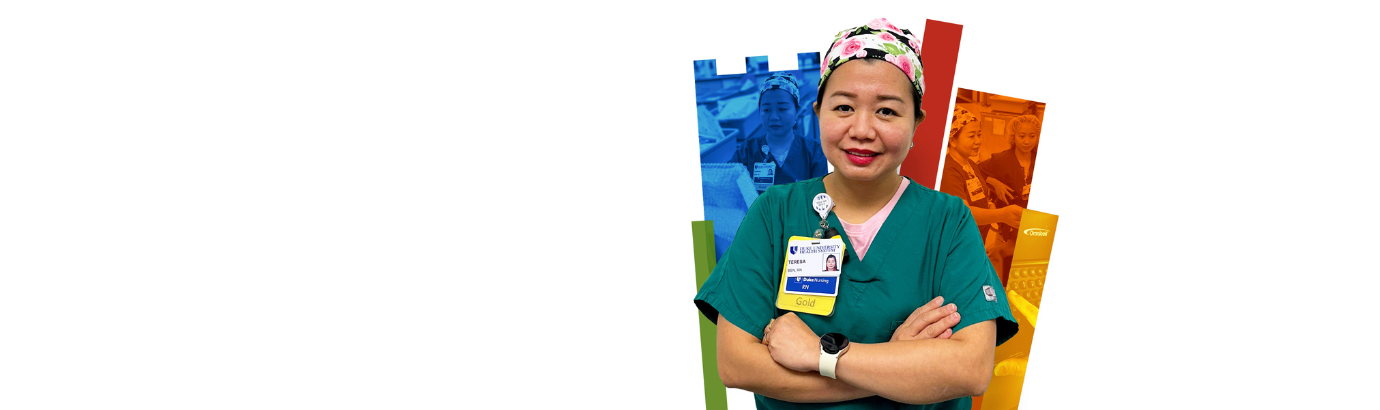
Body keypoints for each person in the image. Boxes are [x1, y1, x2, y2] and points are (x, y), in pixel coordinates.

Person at [694, 18, 1018, 409]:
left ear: (917, 124)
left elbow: (970, 369)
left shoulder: (948, 220)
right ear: (817, 114)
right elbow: (736, 364)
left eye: (886, 111)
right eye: (844, 107)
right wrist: (898, 364)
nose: (862, 129)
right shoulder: (773, 213)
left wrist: (820, 354)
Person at [939, 106, 1025, 282]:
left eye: (979, 134)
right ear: (952, 141)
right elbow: (963, 214)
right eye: (971, 136)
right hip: (958, 248)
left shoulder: (970, 164)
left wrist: (990, 205)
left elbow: (980, 195)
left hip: (976, 242)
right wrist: (1001, 215)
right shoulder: (949, 171)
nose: (978, 141)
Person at [730, 72, 830, 193]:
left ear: (797, 111)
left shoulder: (814, 152)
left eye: (782, 109)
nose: (774, 117)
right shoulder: (746, 152)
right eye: (766, 110)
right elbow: (730, 188)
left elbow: (822, 196)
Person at [979, 114, 1041, 282]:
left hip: (1035, 226)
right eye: (1022, 136)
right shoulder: (1002, 159)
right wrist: (995, 182)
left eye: (1032, 136)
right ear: (1013, 137)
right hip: (1007, 228)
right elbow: (978, 171)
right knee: (1002, 271)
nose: (1027, 141)